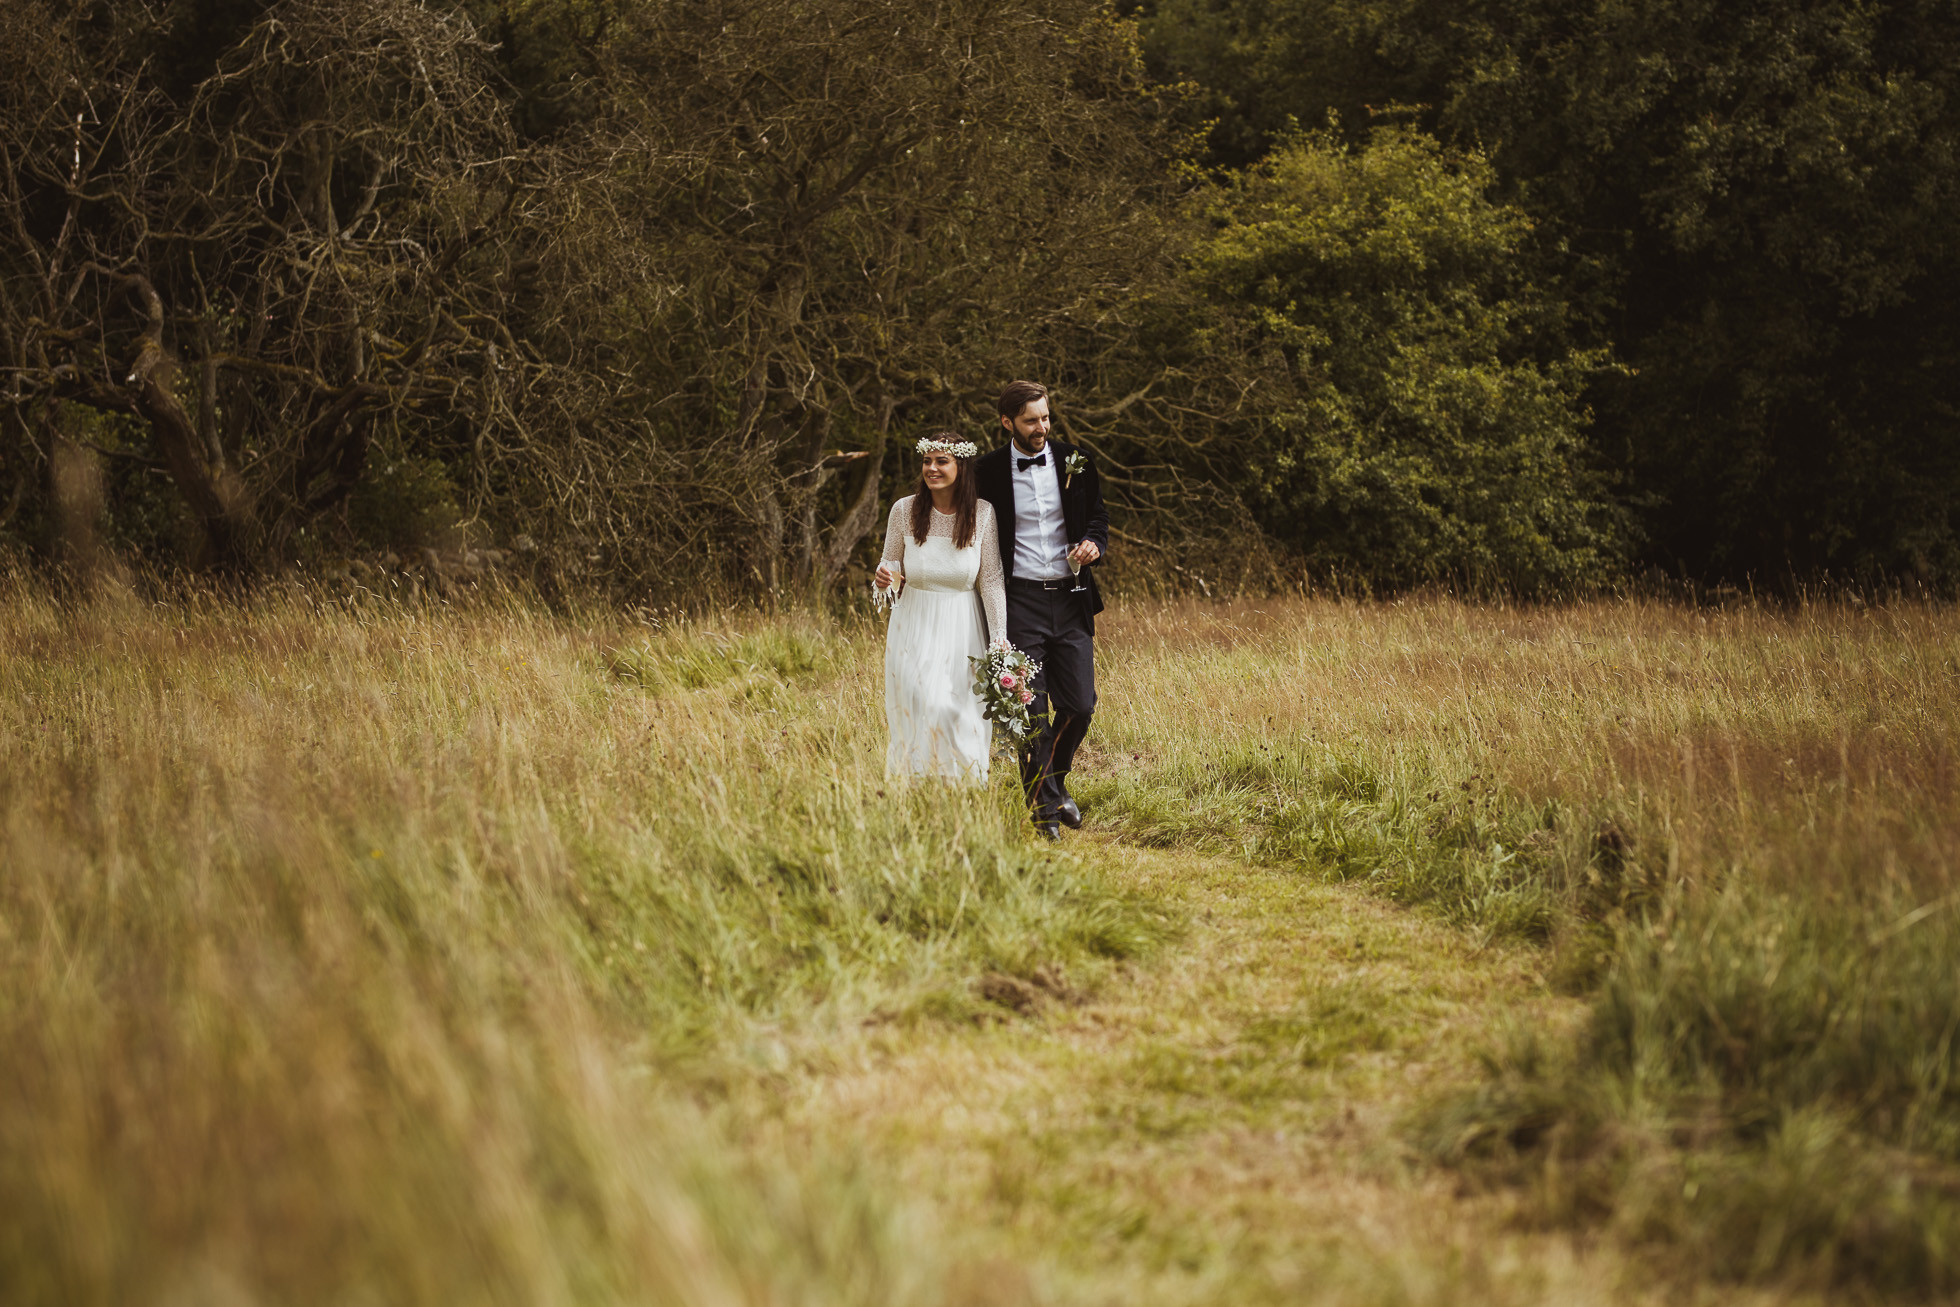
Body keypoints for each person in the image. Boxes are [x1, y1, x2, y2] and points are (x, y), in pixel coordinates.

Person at [973, 380, 1108, 839]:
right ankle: (1045, 812)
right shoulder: (986, 471)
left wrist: (1094, 543)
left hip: (1071, 599)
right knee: (1030, 710)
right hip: (1020, 602)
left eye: (1046, 417)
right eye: (1031, 420)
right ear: (1008, 422)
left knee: (1080, 704)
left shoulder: (1077, 459)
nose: (1042, 427)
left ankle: (1055, 780)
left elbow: (1098, 517)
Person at [873, 433, 1009, 782]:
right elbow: (890, 564)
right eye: (927, 461)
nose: (931, 468)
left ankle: (960, 787)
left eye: (941, 461)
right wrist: (883, 578)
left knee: (960, 711)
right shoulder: (904, 510)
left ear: (960, 466)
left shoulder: (982, 513)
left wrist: (999, 639)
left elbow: (991, 580)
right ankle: (917, 784)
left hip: (963, 626)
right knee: (924, 703)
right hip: (915, 622)